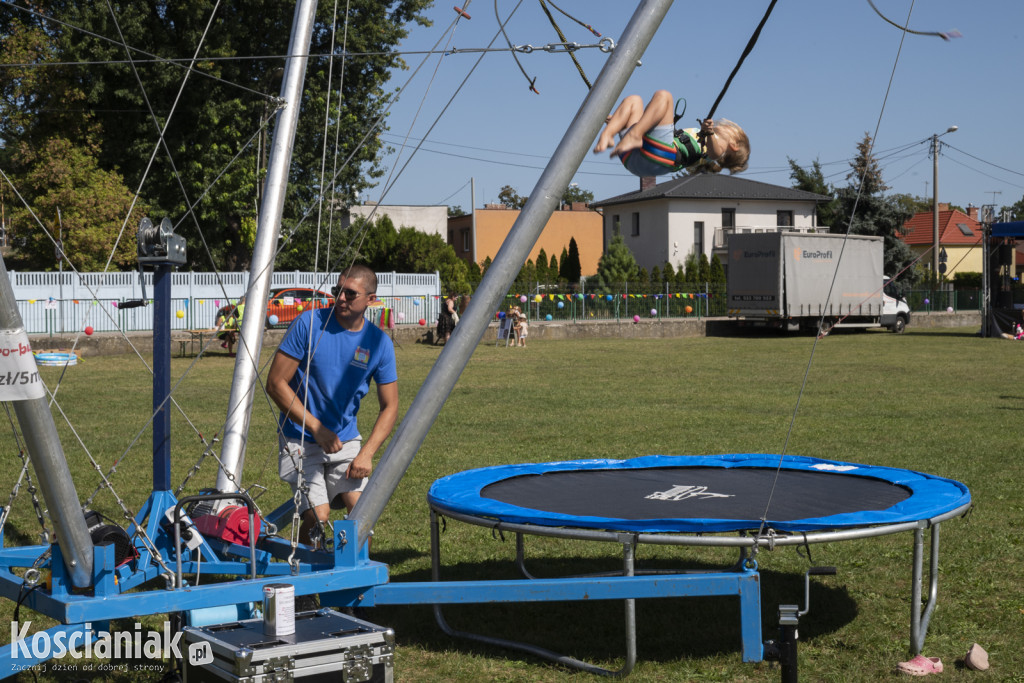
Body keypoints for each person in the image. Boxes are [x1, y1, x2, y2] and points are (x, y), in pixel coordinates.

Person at [267, 264, 398, 547]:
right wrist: (316, 428)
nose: (340, 298)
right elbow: (276, 383)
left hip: (346, 439)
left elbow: (390, 406)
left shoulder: (379, 343)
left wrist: (367, 453)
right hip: (300, 435)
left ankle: (357, 584)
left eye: (350, 294)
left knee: (363, 514)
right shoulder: (309, 323)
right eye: (338, 291)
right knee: (319, 515)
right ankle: (304, 583)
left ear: (371, 299)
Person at [593, 89, 749, 176]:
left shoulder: (715, 149)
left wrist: (709, 133)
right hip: (635, 160)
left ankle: (633, 134)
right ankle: (611, 131)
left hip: (660, 157)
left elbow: (716, 153)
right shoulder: (704, 139)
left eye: (730, 128)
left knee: (664, 96)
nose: (722, 125)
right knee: (634, 100)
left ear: (734, 145)